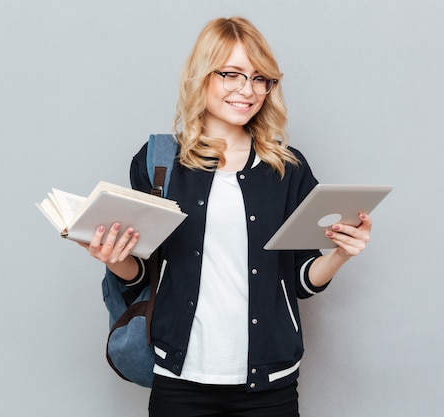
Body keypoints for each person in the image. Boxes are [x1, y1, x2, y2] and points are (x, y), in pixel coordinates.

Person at [80, 16, 372, 417]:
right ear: (203, 76)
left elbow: (301, 280)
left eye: (259, 78)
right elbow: (142, 275)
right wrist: (115, 258)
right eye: (231, 74)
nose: (246, 90)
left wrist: (341, 254)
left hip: (270, 380)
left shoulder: (287, 168)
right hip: (180, 376)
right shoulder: (158, 163)